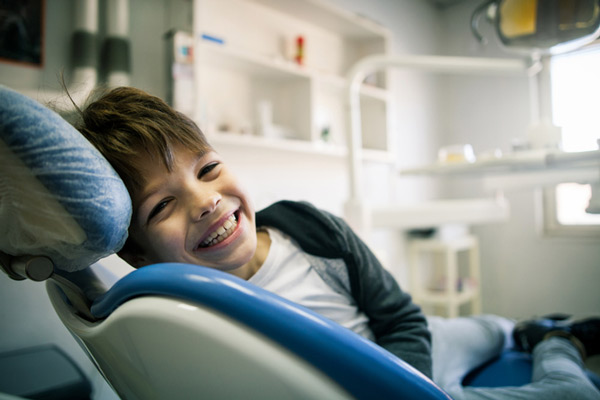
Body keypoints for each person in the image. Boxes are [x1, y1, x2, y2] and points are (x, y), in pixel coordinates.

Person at [73, 86, 600, 400]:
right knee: (575, 392)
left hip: (407, 345)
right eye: (162, 206)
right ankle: (561, 342)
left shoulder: (311, 229)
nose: (206, 200)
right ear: (136, 252)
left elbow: (403, 320)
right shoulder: (169, 313)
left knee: (496, 329)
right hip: (384, 386)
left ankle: (532, 332)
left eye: (208, 168)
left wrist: (412, 366)